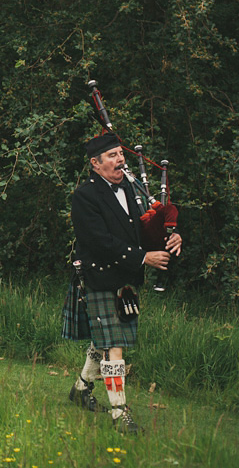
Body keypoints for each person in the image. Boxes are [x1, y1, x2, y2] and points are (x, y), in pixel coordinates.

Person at [62, 134, 182, 433]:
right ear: (95, 163)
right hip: (99, 276)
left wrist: (168, 236)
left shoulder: (128, 187)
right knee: (114, 346)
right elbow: (100, 242)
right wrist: (143, 258)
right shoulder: (85, 196)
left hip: (125, 280)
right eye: (113, 155)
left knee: (103, 340)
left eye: (120, 154)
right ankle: (119, 414)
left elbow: (140, 229)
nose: (120, 159)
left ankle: (80, 389)